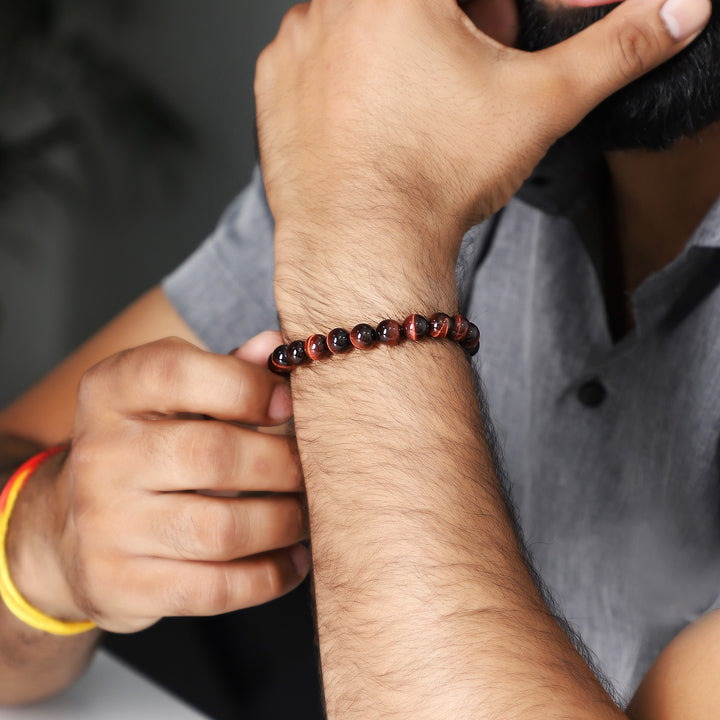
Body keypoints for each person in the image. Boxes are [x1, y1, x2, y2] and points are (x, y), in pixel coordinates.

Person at [1, 0, 719, 716]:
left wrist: (367, 244)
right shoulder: (417, 134)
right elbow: (26, 456)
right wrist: (43, 542)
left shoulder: (371, 194)